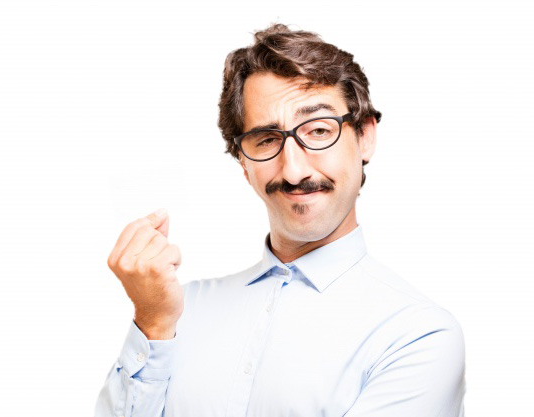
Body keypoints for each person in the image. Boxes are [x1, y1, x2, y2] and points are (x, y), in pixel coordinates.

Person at [95, 23, 466, 417]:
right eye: (267, 139)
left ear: (365, 137)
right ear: (243, 162)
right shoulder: (177, 312)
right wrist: (153, 323)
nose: (293, 170)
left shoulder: (417, 335)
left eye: (318, 130)